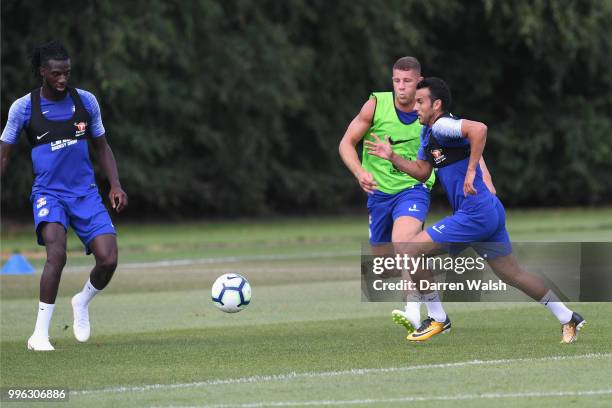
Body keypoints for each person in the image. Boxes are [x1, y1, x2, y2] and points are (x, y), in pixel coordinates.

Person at [366, 77, 585, 343]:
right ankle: (567, 316)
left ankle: (438, 318)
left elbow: (479, 129)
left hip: (475, 213)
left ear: (436, 105)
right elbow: (423, 173)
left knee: (408, 250)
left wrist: (472, 171)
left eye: (421, 101)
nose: (415, 107)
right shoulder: (428, 133)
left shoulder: (443, 125)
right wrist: (393, 157)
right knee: (513, 274)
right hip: (487, 211)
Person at [0, 41, 128, 351]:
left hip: (84, 194)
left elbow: (101, 146)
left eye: (66, 73)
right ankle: (39, 335)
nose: (62, 79)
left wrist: (115, 185)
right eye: (56, 73)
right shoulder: (23, 107)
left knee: (109, 259)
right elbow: (4, 155)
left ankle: (82, 300)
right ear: (42, 72)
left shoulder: (85, 102)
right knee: (56, 254)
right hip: (49, 194)